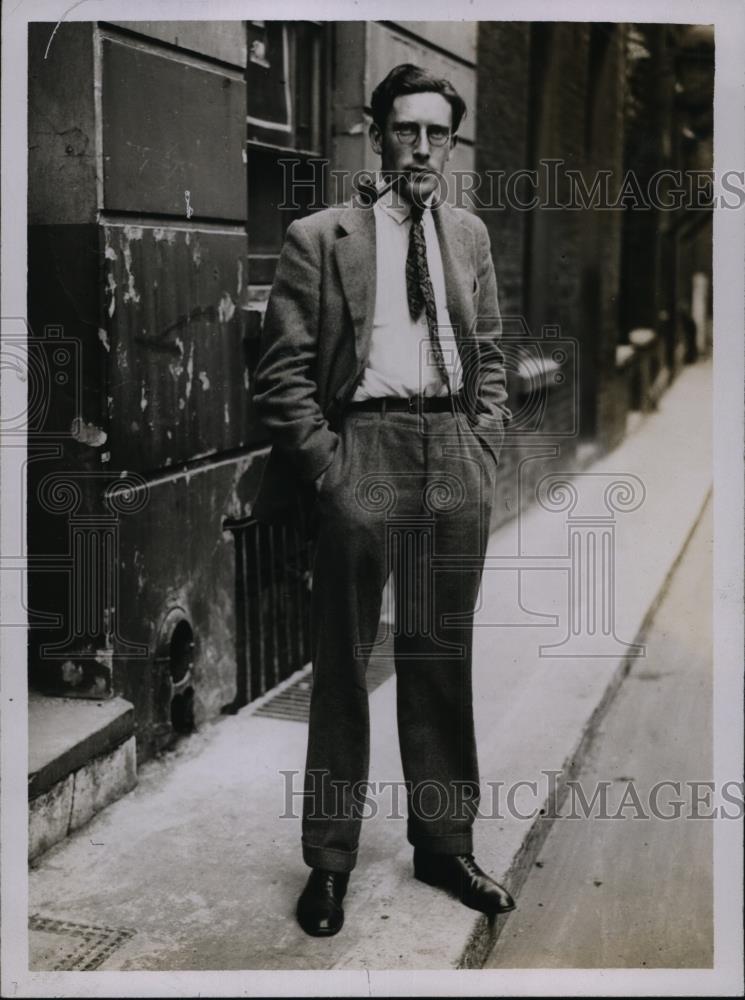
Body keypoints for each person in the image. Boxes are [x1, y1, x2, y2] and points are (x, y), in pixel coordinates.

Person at [252, 63, 515, 937]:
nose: (422, 146)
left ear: (452, 142)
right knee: (343, 663)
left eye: (437, 132)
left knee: (440, 656)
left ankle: (443, 843)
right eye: (405, 129)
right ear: (377, 134)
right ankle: (328, 861)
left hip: (452, 454)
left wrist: (480, 441)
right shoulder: (321, 237)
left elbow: (491, 353)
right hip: (362, 448)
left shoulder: (470, 235)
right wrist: (330, 467)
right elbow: (281, 375)